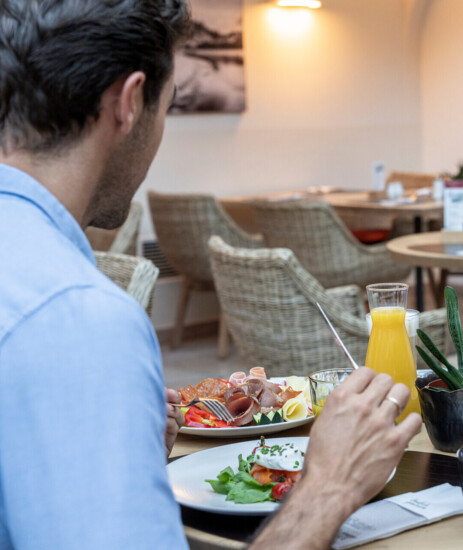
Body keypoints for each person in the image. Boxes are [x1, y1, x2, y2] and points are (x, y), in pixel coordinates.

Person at [0, 2, 421, 549]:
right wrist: (329, 487)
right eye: (167, 108)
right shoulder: (82, 318)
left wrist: (123, 455)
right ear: (129, 103)